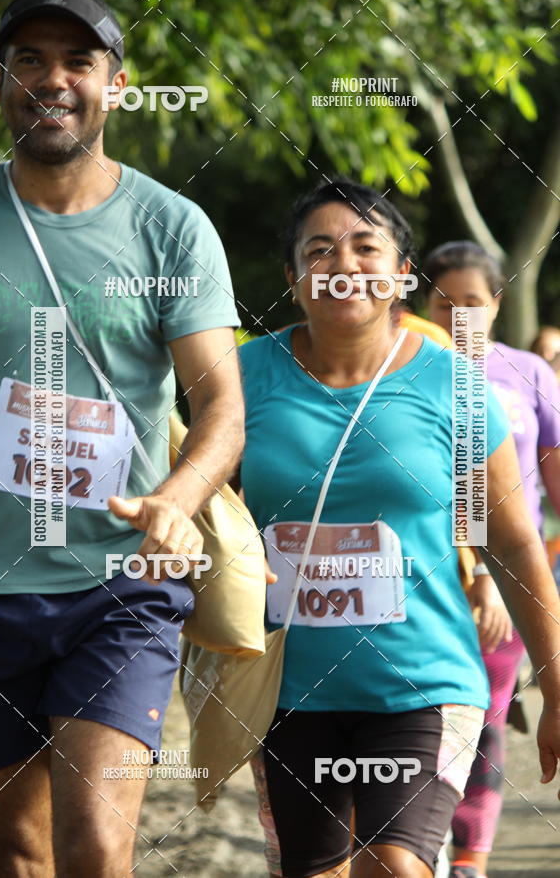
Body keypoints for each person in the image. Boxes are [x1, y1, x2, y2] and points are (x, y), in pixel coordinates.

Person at [0, 0, 243, 876]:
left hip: (120, 588)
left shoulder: (172, 229)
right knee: (9, 849)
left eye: (78, 61)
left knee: (95, 843)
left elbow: (222, 407)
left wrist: (176, 498)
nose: (53, 79)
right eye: (30, 60)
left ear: (116, 85)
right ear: (0, 81)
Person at [239, 179, 560, 878]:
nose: (343, 264)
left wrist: (557, 679)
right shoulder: (242, 376)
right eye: (318, 251)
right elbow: (203, 511)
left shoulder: (458, 386)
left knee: (394, 867)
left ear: (401, 276)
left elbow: (510, 541)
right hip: (285, 689)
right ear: (293, 278)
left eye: (365, 247)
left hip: (424, 680)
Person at [424, 240, 560, 878]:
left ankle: (470, 856)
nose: (458, 319)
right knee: (420, 724)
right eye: (443, 303)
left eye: (472, 304)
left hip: (509, 581)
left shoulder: (530, 373)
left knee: (483, 719)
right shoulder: (399, 368)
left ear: (498, 304)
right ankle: (421, 845)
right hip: (420, 582)